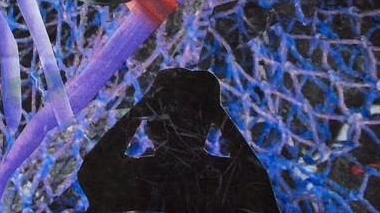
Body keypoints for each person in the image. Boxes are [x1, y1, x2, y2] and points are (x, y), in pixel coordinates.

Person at [78, 68, 279, 213]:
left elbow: (95, 167)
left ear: (151, 128)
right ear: (206, 126)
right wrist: (219, 116)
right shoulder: (227, 180)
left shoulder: (136, 177)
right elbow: (257, 180)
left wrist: (141, 109)